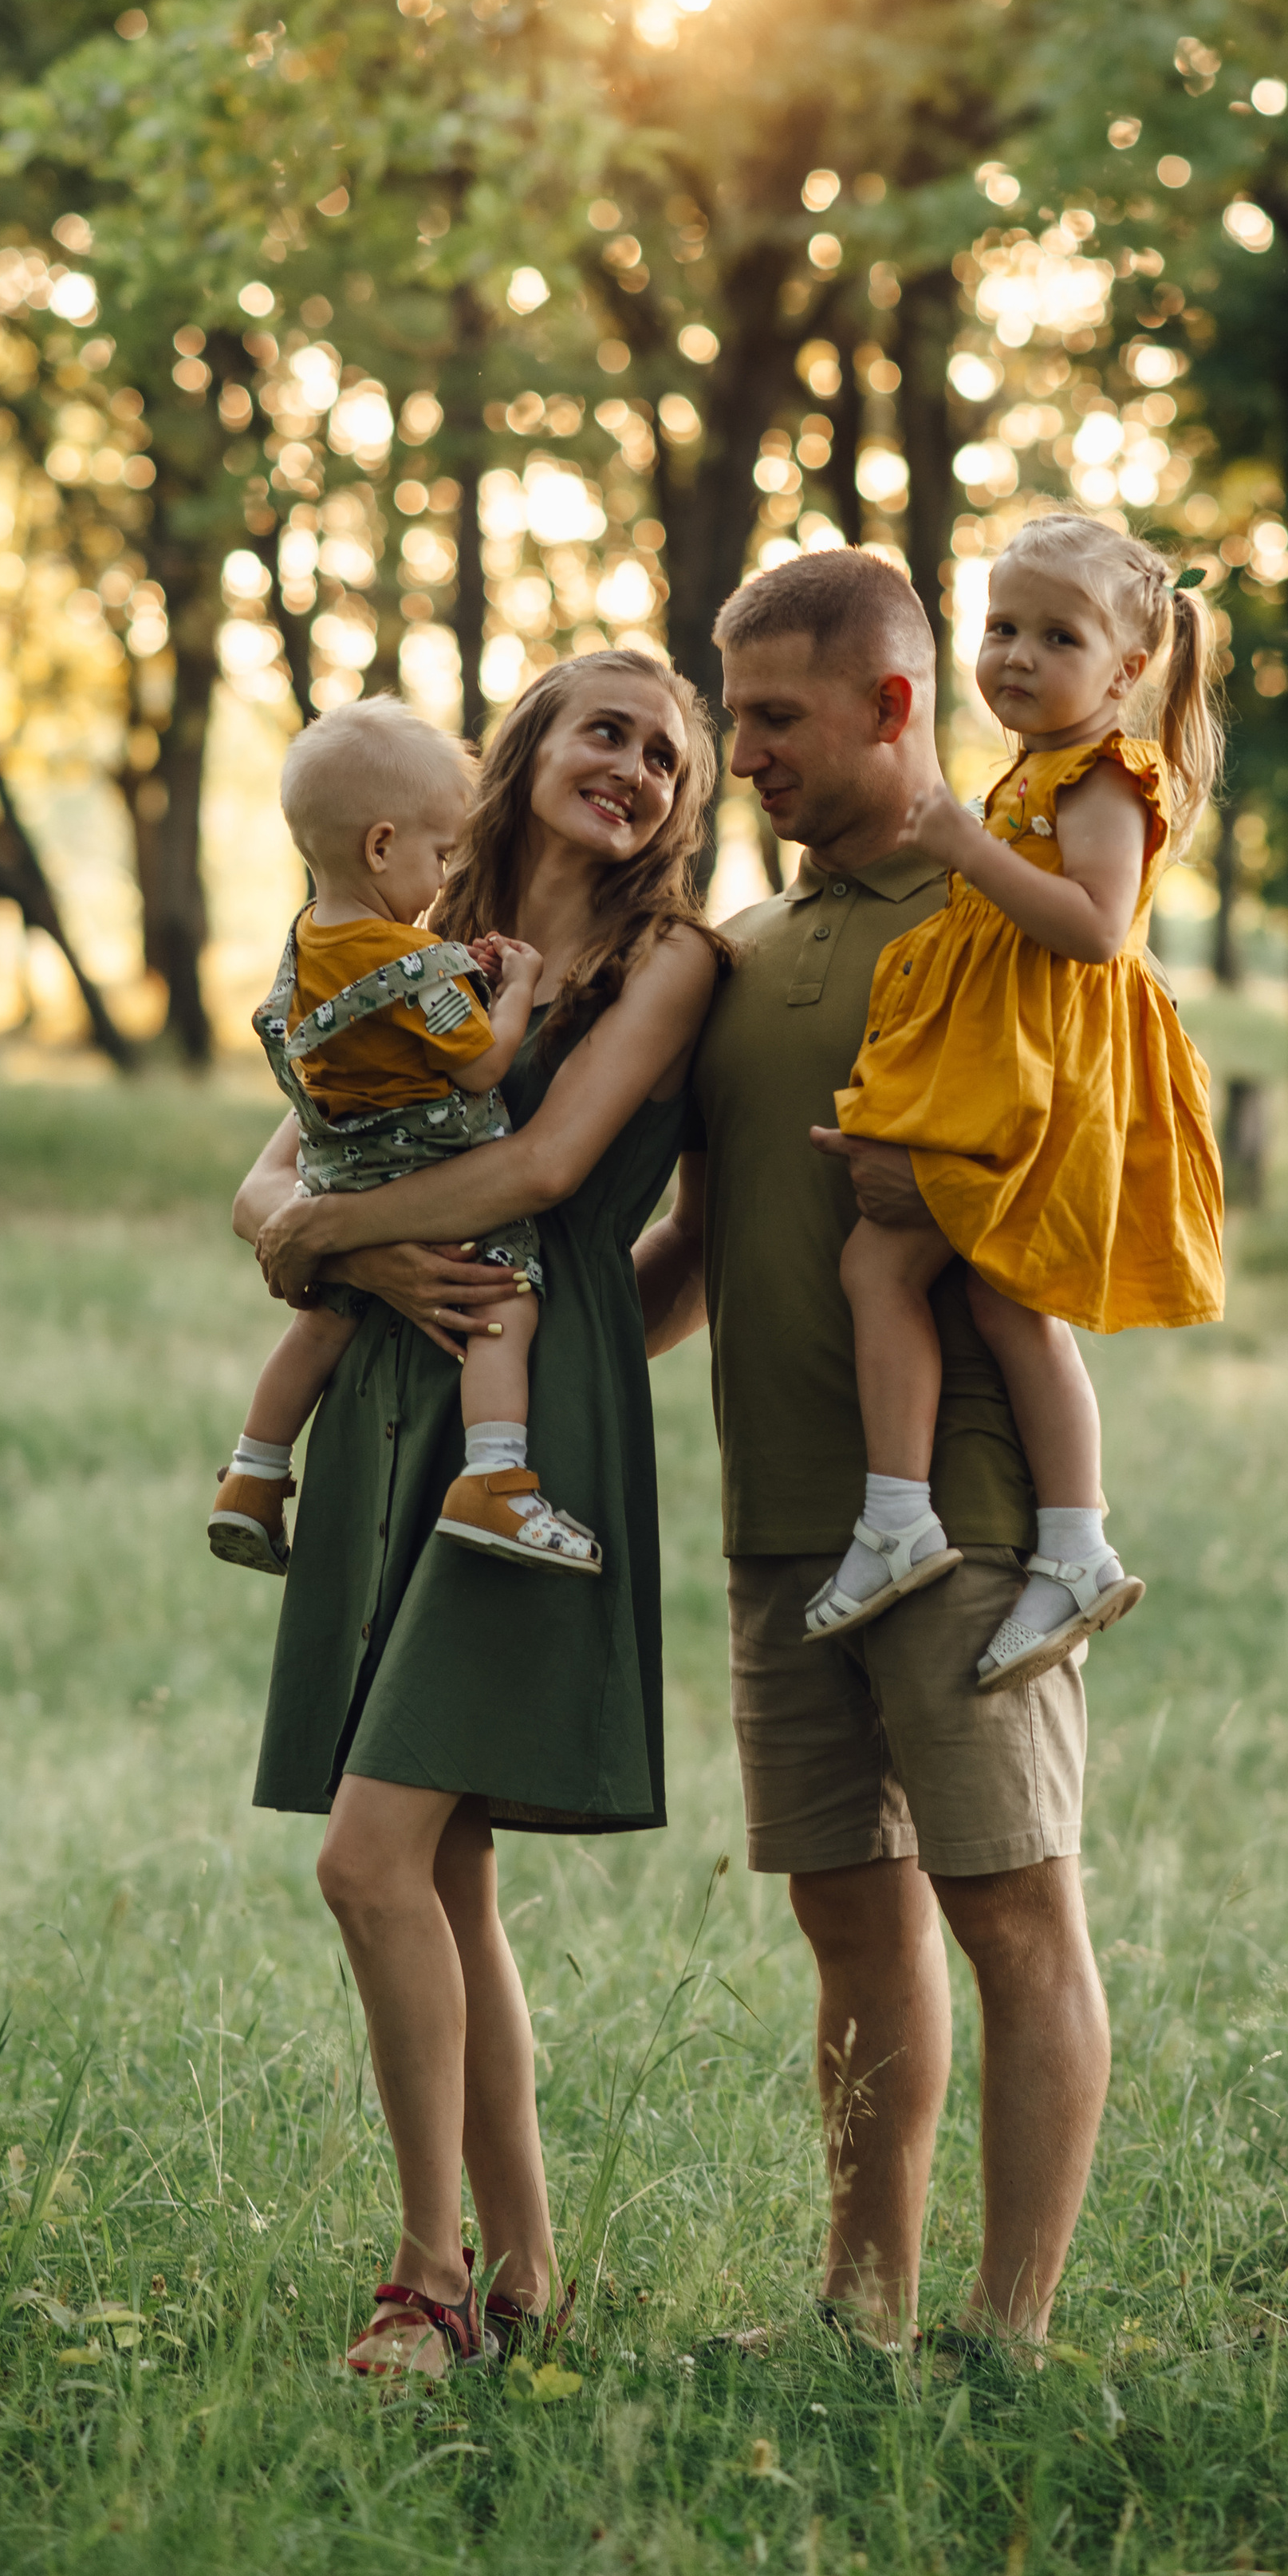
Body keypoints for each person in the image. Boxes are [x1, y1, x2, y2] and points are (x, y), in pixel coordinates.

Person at [632, 546, 1122, 2349]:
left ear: (888, 705)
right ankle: (861, 2307)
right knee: (849, 1917)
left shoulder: (1009, 909)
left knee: (1010, 1911)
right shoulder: (736, 958)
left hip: (973, 1518)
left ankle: (1006, 2334)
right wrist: (509, 1346)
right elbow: (694, 1247)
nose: (736, 749)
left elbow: (1099, 1182)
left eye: (770, 716)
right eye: (730, 713)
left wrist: (965, 1198)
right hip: (788, 1525)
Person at [230, 653, 725, 2377]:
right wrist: (295, 1228)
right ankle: (519, 2276)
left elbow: (540, 1172)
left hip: (532, 1406)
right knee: (442, 1867)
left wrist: (329, 1239)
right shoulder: (396, 928)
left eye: (671, 757)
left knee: (366, 1862)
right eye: (609, 730)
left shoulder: (670, 962)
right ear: (524, 749)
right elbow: (279, 1152)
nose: (639, 769)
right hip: (391, 1388)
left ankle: (423, 2277)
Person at [809, 513, 1225, 1691]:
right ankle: (1056, 1541)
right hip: (1006, 1068)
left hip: (1053, 1079)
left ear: (1128, 671)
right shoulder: (1035, 771)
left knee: (909, 1276)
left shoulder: (1106, 775)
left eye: (1057, 635)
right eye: (1000, 629)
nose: (1016, 657)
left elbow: (1094, 930)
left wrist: (959, 841)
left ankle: (923, 1522)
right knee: (984, 1301)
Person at [209, 696, 597, 1584]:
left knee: (318, 1324)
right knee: (505, 1297)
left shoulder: (305, 944)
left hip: (340, 1173)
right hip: (436, 1167)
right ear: (382, 847)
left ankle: (254, 1476)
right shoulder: (418, 966)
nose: (444, 872)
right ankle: (496, 1477)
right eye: (439, 854)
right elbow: (482, 1069)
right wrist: (514, 986)